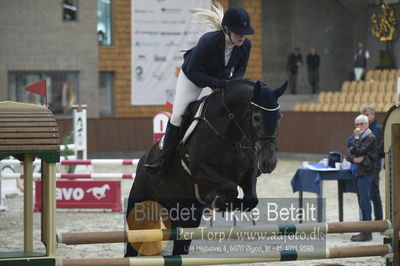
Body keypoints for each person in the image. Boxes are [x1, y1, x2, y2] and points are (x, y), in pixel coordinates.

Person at [145, 3, 255, 176]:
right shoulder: (208, 41)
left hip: (220, 78)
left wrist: (232, 83)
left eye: (245, 33)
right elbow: (193, 71)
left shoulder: (246, 45)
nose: (243, 37)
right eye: (239, 33)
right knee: (178, 115)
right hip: (193, 77)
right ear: (226, 29)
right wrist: (218, 84)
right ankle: (164, 161)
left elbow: (241, 69)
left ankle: (242, 157)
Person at [346, 114, 377, 241]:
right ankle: (364, 230)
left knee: (365, 203)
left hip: (366, 172)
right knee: (361, 202)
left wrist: (356, 139)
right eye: (357, 125)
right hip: (359, 171)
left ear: (367, 124)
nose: (359, 127)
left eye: (361, 124)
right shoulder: (358, 137)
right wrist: (354, 159)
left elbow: (357, 151)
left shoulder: (370, 137)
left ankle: (367, 232)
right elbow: (350, 152)